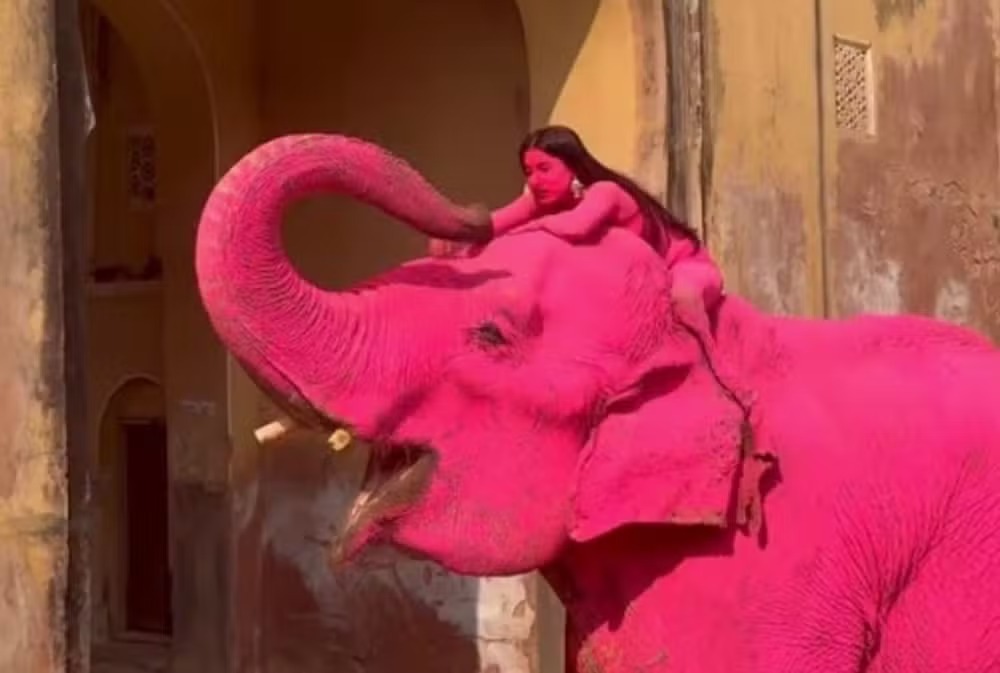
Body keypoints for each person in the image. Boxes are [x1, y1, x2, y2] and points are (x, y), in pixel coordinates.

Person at [429, 125, 725, 336]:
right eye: (528, 172)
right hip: (626, 292)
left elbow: (575, 227)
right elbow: (491, 226)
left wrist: (519, 233)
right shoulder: (539, 201)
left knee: (682, 298)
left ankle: (712, 378)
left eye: (544, 169)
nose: (534, 181)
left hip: (680, 269)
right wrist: (455, 238)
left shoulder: (605, 192)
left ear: (573, 167)